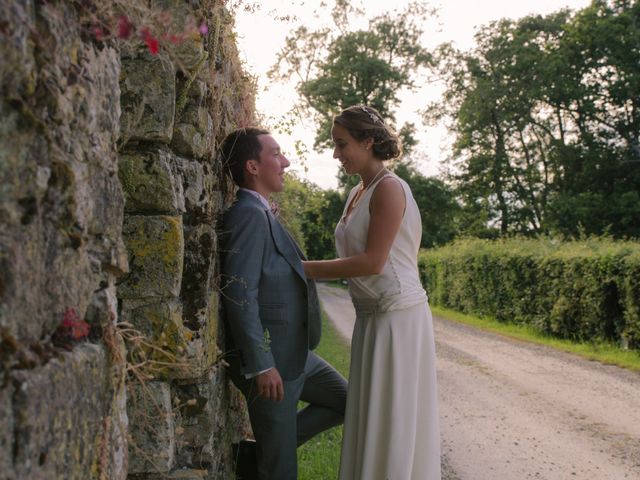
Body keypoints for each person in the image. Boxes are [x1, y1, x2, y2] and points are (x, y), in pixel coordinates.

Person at [303, 105, 441, 479]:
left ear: (367, 141)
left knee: (392, 416)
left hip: (398, 316)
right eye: (334, 145)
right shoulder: (355, 193)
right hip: (370, 316)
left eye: (342, 144)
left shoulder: (391, 189)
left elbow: (373, 262)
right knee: (371, 415)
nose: (336, 154)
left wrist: (301, 270)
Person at [218, 127, 347, 480]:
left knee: (347, 402)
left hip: (297, 355)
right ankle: (270, 456)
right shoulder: (247, 215)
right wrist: (261, 365)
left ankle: (262, 453)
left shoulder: (260, 213)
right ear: (252, 167)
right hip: (271, 362)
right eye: (276, 154)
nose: (286, 161)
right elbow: (240, 294)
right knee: (281, 472)